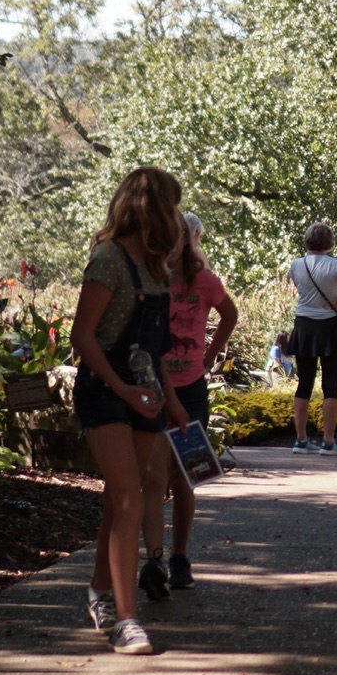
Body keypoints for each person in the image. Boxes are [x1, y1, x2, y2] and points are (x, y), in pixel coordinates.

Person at [69, 166, 193, 656]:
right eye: (173, 206)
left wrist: (173, 399)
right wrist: (123, 388)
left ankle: (100, 593)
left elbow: (157, 349)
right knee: (127, 498)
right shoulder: (108, 260)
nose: (178, 217)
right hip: (105, 391)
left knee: (125, 498)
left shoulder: (155, 268)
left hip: (146, 394)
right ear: (154, 208)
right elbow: (83, 338)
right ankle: (127, 620)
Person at [141, 211, 237, 595]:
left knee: (186, 478)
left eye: (175, 238)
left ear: (186, 241)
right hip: (151, 388)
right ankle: (154, 559)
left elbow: (229, 314)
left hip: (192, 388)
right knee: (154, 476)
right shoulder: (149, 280)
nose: (169, 246)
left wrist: (212, 353)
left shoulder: (205, 281)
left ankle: (180, 556)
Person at [287, 222, 337, 455]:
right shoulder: (336, 264)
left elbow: (299, 287)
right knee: (330, 385)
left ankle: (300, 440)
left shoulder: (296, 264)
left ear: (307, 240)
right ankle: (328, 441)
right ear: (329, 242)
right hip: (329, 326)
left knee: (304, 383)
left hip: (304, 325)